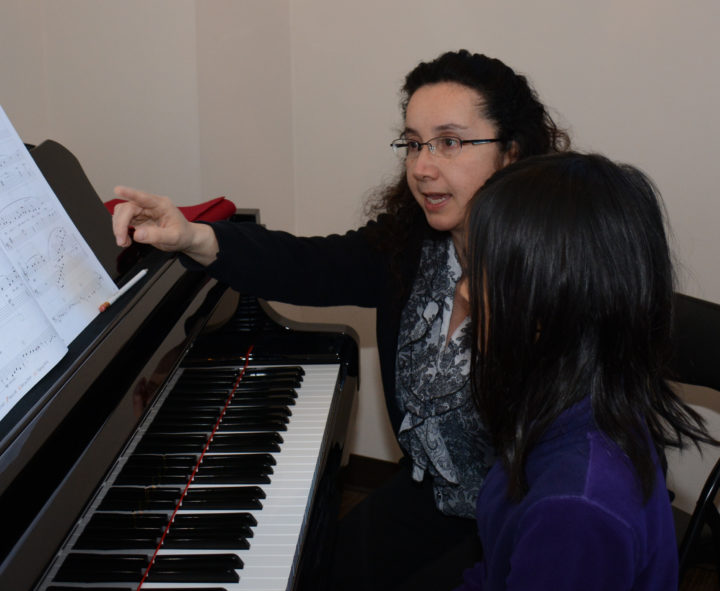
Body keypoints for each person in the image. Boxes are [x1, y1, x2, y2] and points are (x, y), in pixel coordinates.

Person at [110, 49, 569, 590]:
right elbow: (307, 265)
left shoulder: (558, 270)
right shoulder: (409, 248)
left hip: (520, 519)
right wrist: (193, 235)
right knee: (313, 573)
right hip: (425, 494)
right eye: (414, 143)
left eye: (450, 142)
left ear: (511, 154)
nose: (423, 166)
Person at [456, 152, 716, 590]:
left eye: (479, 275)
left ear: (546, 311)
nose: (463, 293)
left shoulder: (575, 511)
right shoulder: (575, 401)